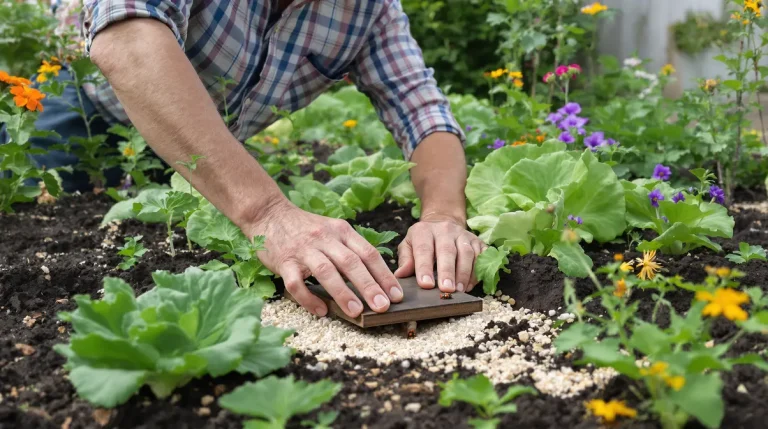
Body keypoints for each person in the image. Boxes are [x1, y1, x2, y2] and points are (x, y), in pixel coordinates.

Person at [42, 0, 486, 319]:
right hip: (87, 114)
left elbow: (421, 108)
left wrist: (444, 216)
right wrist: (267, 213)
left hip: (208, 154)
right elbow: (126, 39)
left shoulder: (372, 12)